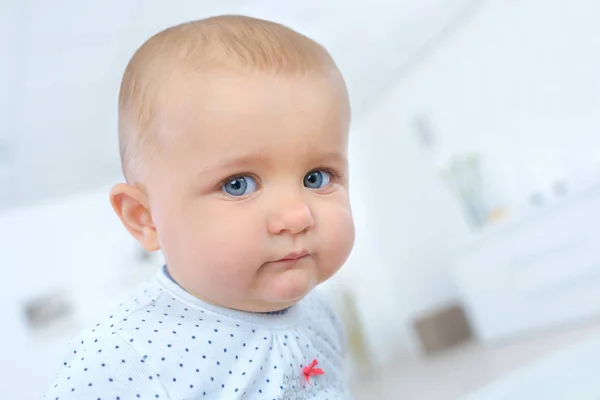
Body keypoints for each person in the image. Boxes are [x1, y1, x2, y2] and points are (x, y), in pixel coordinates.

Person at [44, 14, 355, 399]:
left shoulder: (317, 312)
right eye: (238, 185)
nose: (297, 215)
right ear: (145, 219)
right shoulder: (124, 358)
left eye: (317, 178)